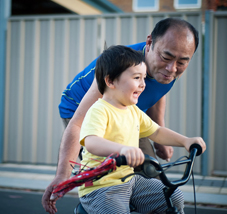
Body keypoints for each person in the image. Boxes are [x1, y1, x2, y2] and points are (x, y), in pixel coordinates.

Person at [42, 18, 199, 213]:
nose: (172, 69)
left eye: (182, 62)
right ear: (149, 43)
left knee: (157, 181)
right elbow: (79, 126)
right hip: (81, 110)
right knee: (107, 172)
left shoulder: (165, 72)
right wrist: (62, 175)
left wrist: (163, 142)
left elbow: (157, 95)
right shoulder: (118, 71)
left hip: (128, 111)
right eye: (166, 58)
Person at [77, 45, 206, 213]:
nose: (143, 84)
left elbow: (157, 132)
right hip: (100, 186)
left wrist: (186, 141)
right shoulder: (99, 110)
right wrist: (122, 149)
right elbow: (91, 141)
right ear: (110, 81)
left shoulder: (132, 110)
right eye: (137, 78)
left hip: (129, 180)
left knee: (174, 198)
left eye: (144, 78)